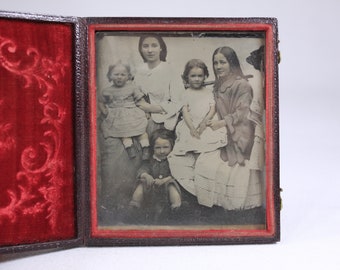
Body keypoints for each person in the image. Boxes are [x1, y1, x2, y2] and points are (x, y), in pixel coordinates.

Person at [193, 46, 263, 210]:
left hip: (241, 130)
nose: (218, 66)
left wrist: (221, 123)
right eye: (215, 63)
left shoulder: (243, 85)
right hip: (225, 127)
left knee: (230, 161)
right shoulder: (218, 85)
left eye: (222, 62)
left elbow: (242, 112)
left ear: (231, 63)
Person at [171, 59, 227, 155]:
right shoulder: (185, 94)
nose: (197, 79)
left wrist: (204, 122)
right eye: (193, 76)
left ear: (205, 76)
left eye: (200, 76)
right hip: (190, 122)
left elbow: (212, 109)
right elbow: (185, 113)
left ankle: (204, 158)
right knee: (190, 138)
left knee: (208, 140)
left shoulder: (208, 92)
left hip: (206, 121)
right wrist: (192, 128)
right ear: (187, 77)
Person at [98, 61, 152, 160]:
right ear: (110, 76)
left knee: (141, 130)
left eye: (123, 74)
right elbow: (100, 101)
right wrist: (104, 111)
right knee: (122, 132)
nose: (119, 77)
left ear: (128, 76)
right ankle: (129, 147)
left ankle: (146, 147)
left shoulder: (132, 88)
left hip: (132, 112)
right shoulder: (107, 91)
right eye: (116, 74)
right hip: (117, 115)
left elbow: (140, 100)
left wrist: (147, 111)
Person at [134, 34, 183, 135]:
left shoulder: (170, 70)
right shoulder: (138, 71)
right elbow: (134, 96)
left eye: (154, 45)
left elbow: (178, 102)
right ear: (141, 49)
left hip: (164, 120)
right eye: (145, 46)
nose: (150, 50)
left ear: (161, 48)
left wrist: (150, 108)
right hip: (139, 119)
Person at [129, 129, 181, 222]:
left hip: (166, 186)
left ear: (172, 147)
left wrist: (164, 180)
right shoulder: (151, 160)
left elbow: (175, 174)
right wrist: (146, 175)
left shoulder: (173, 160)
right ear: (152, 148)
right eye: (158, 147)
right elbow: (143, 168)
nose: (162, 151)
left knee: (172, 186)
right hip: (151, 187)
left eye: (166, 147)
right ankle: (134, 206)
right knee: (141, 184)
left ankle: (176, 208)